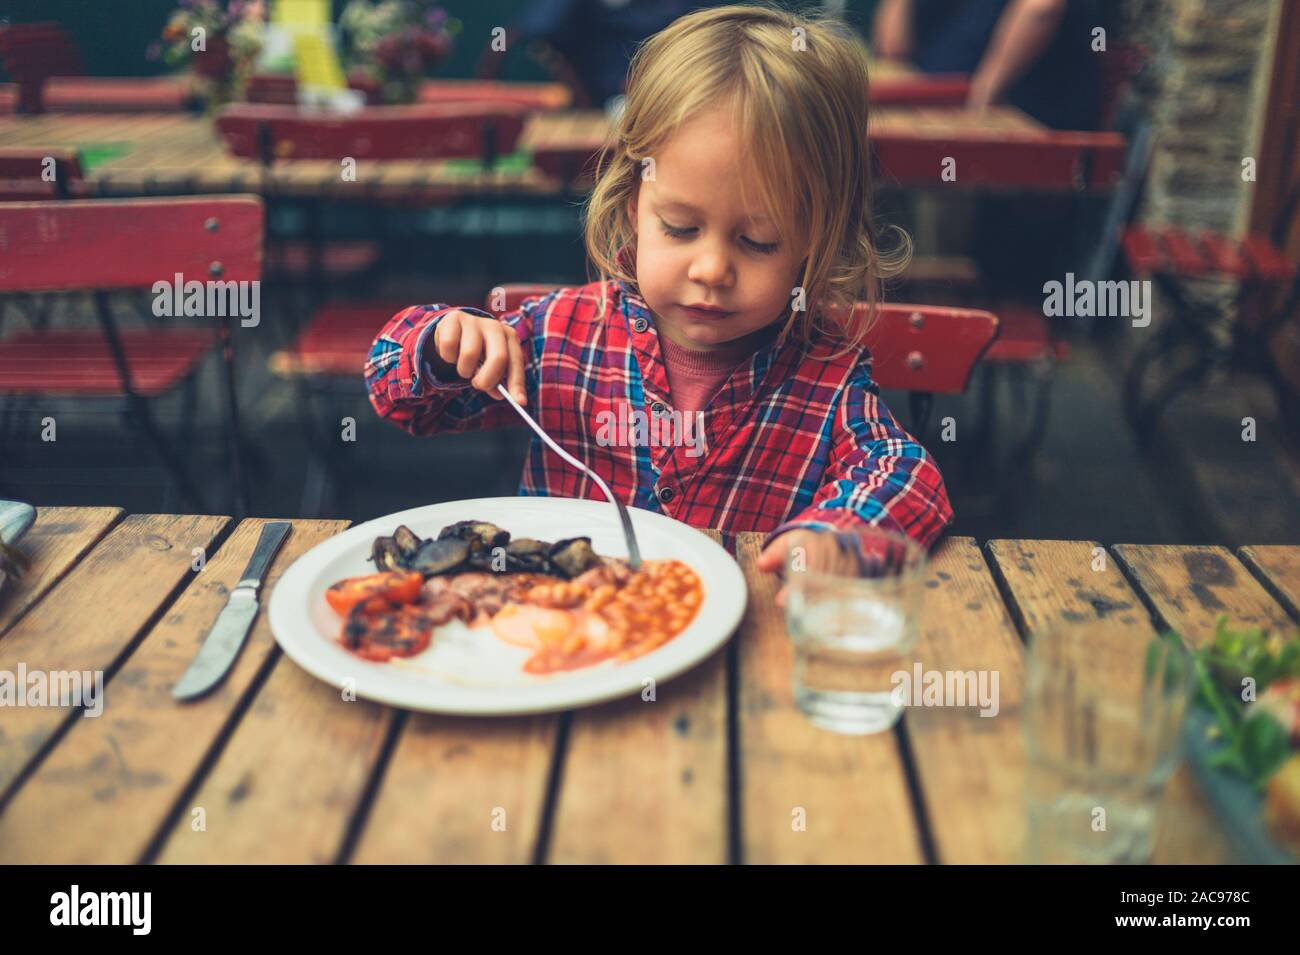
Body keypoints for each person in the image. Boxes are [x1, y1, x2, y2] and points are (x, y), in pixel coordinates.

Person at [366, 4, 953, 590]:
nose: (712, 269)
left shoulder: (828, 373)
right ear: (633, 208)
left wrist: (841, 533)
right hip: (557, 641)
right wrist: (444, 342)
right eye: (679, 227)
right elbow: (403, 397)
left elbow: (903, 472)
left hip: (736, 655)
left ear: (813, 240)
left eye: (758, 241)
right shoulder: (561, 335)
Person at [873, 0, 1100, 130]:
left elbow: (1043, 9)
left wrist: (982, 98)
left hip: (1020, 121)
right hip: (939, 103)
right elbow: (893, 50)